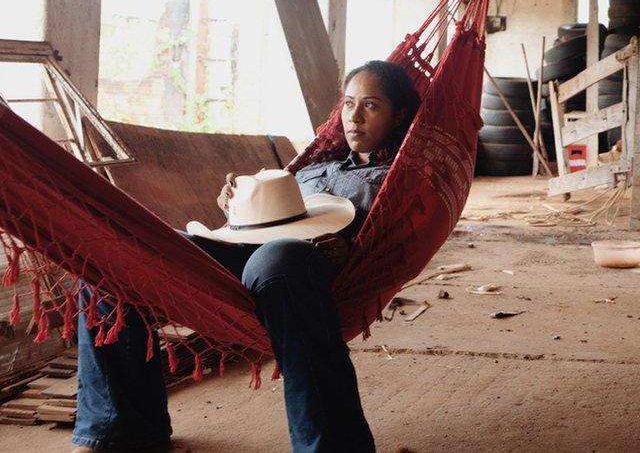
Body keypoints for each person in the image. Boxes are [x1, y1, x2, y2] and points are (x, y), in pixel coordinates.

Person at [71, 61, 421, 453]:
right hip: (242, 253)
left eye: (371, 105)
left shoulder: (398, 178)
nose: (354, 117)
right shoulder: (316, 166)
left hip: (303, 267)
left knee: (275, 261)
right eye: (350, 104)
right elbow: (266, 219)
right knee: (114, 253)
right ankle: (120, 431)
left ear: (399, 115)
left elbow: (391, 242)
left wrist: (352, 251)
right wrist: (238, 207)